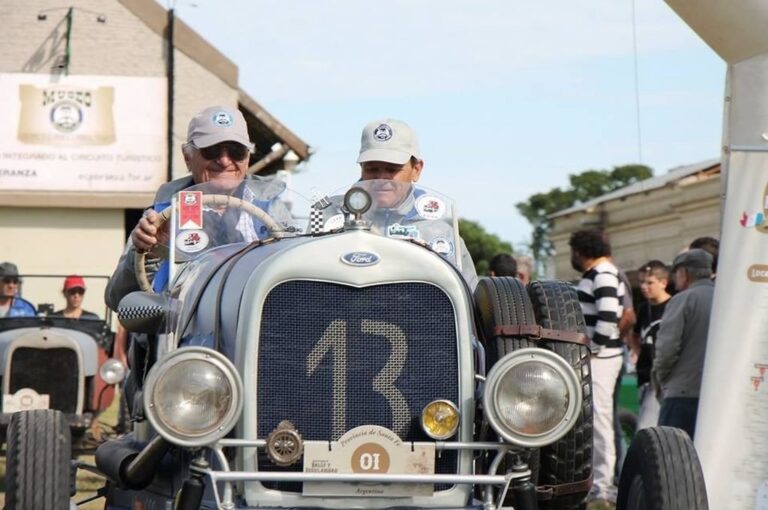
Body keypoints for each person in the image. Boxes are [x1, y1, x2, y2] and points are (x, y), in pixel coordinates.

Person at [105, 105, 283, 310]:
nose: (225, 161)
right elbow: (117, 299)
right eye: (212, 150)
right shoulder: (161, 217)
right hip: (184, 333)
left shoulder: (273, 210)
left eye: (236, 151)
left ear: (248, 157)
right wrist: (148, 251)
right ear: (188, 157)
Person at [317, 119, 478, 287]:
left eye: (392, 169)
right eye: (372, 169)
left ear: (416, 169)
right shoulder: (330, 217)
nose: (382, 178)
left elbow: (468, 298)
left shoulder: (439, 233)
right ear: (361, 168)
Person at [569, 230, 625, 508]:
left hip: (601, 359)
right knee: (596, 421)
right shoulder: (600, 273)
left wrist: (592, 351)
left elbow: (608, 318)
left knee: (601, 422)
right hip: (599, 357)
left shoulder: (602, 274)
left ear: (581, 250)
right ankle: (597, 483)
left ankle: (603, 486)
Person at [652, 249, 714, 439]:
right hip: (717, 396)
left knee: (672, 459)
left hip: (681, 394)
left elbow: (667, 350)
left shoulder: (683, 300)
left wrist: (660, 380)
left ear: (684, 274)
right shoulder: (725, 298)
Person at [629, 260, 671, 430]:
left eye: (649, 282)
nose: (644, 287)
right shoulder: (643, 308)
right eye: (641, 282)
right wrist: (640, 353)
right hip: (644, 377)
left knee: (646, 429)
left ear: (663, 283)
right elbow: (634, 335)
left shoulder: (674, 305)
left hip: (663, 378)